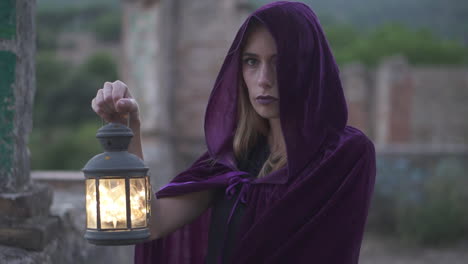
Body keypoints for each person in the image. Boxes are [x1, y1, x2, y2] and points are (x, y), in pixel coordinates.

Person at [91, 1, 376, 263]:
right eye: (252, 62)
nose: (264, 80)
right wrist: (128, 132)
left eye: (280, 62)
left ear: (307, 66)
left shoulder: (344, 155)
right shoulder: (231, 161)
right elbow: (150, 224)